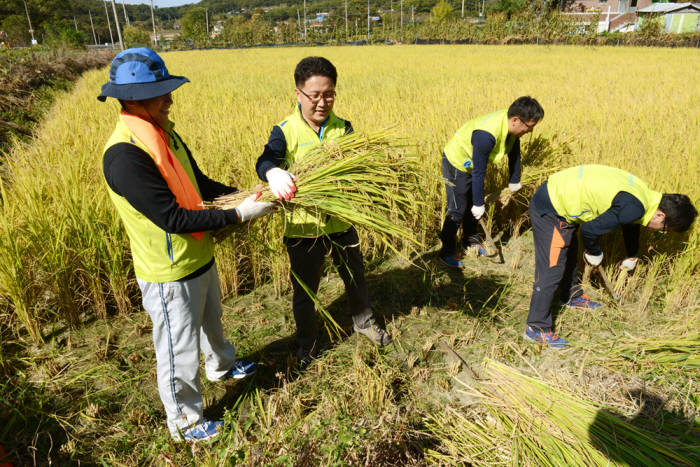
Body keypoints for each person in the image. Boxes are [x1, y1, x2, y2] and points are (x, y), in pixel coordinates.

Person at [98, 48, 276, 441]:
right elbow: (173, 219)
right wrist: (239, 215)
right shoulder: (125, 155)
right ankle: (185, 422)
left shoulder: (164, 134)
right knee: (178, 351)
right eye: (162, 93)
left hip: (198, 256)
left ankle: (221, 366)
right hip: (169, 272)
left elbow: (200, 186)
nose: (170, 99)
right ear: (134, 99)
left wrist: (249, 195)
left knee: (212, 325)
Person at [255, 56, 391, 366]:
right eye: (314, 95)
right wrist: (272, 174)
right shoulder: (285, 130)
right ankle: (307, 342)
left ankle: (363, 322)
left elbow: (358, 166)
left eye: (328, 94)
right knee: (305, 291)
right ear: (298, 94)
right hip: (304, 230)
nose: (322, 102)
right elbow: (265, 160)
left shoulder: (343, 128)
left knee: (356, 277)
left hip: (341, 222)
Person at [523, 164, 697, 349]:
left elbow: (630, 221)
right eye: (665, 229)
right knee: (552, 268)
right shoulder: (635, 206)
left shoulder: (646, 197)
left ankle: (571, 296)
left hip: (564, 199)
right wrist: (595, 252)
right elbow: (589, 231)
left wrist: (632, 254)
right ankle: (536, 328)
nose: (662, 232)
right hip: (552, 205)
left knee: (570, 255)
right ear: (661, 215)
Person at [439, 96, 544, 268]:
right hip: (457, 161)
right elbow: (479, 172)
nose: (531, 131)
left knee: (473, 201)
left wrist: (514, 179)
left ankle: (470, 241)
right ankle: (447, 251)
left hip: (473, 165)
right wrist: (479, 204)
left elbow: (514, 151)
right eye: (530, 127)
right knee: (458, 207)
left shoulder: (510, 125)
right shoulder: (486, 135)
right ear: (516, 120)